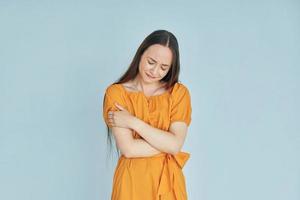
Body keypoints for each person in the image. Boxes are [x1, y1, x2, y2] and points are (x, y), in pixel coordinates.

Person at [102, 29, 192, 200]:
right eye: (151, 62)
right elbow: (128, 149)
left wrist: (133, 122)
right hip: (132, 184)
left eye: (164, 68)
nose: (155, 71)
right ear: (140, 54)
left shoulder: (179, 93)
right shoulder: (116, 93)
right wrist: (167, 142)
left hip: (169, 185)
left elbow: (175, 146)